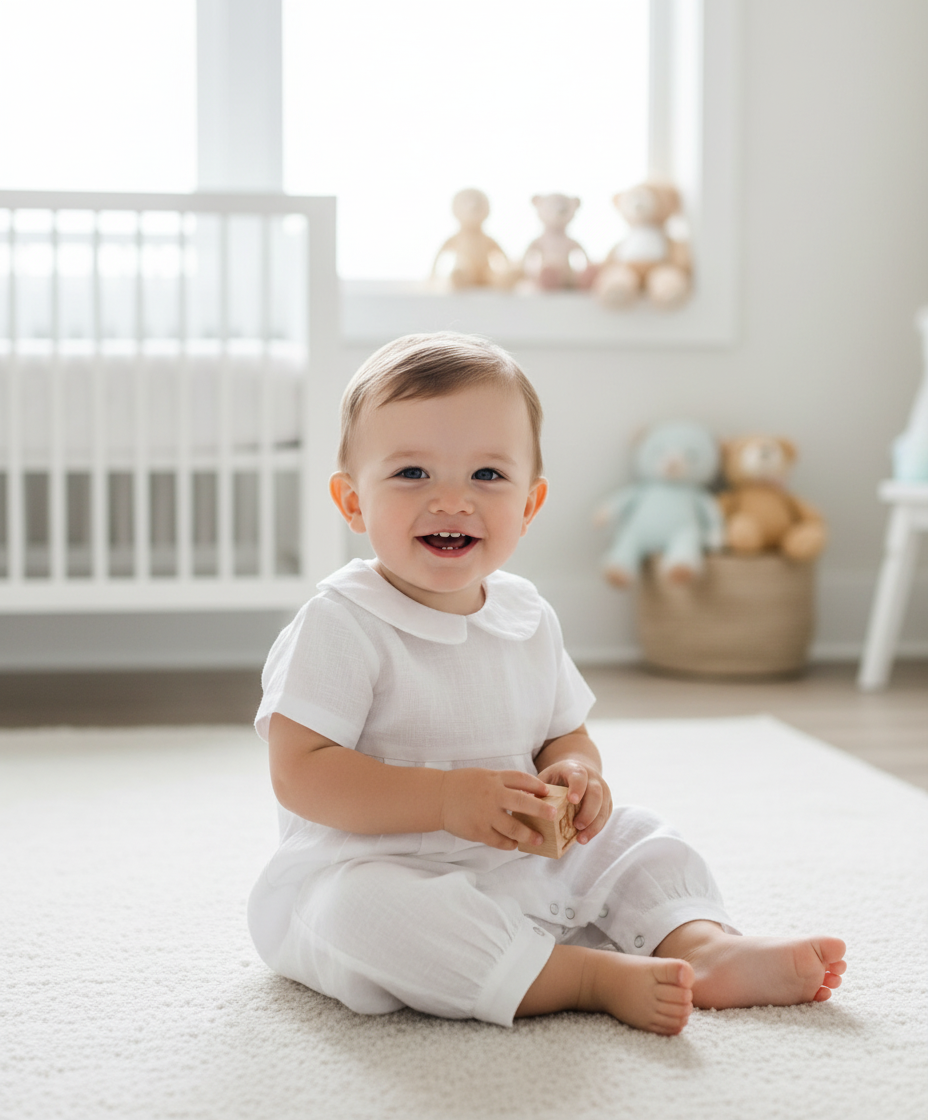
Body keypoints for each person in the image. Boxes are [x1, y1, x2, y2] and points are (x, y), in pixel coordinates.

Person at [248, 332, 846, 1034]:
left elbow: (565, 731)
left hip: (520, 858)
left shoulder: (525, 615)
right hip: (379, 865)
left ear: (530, 505)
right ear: (352, 502)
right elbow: (301, 774)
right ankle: (582, 975)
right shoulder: (342, 623)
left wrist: (575, 774)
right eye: (412, 473)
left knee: (635, 835)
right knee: (357, 914)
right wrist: (443, 800)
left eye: (488, 476)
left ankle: (701, 944)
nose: (452, 500)